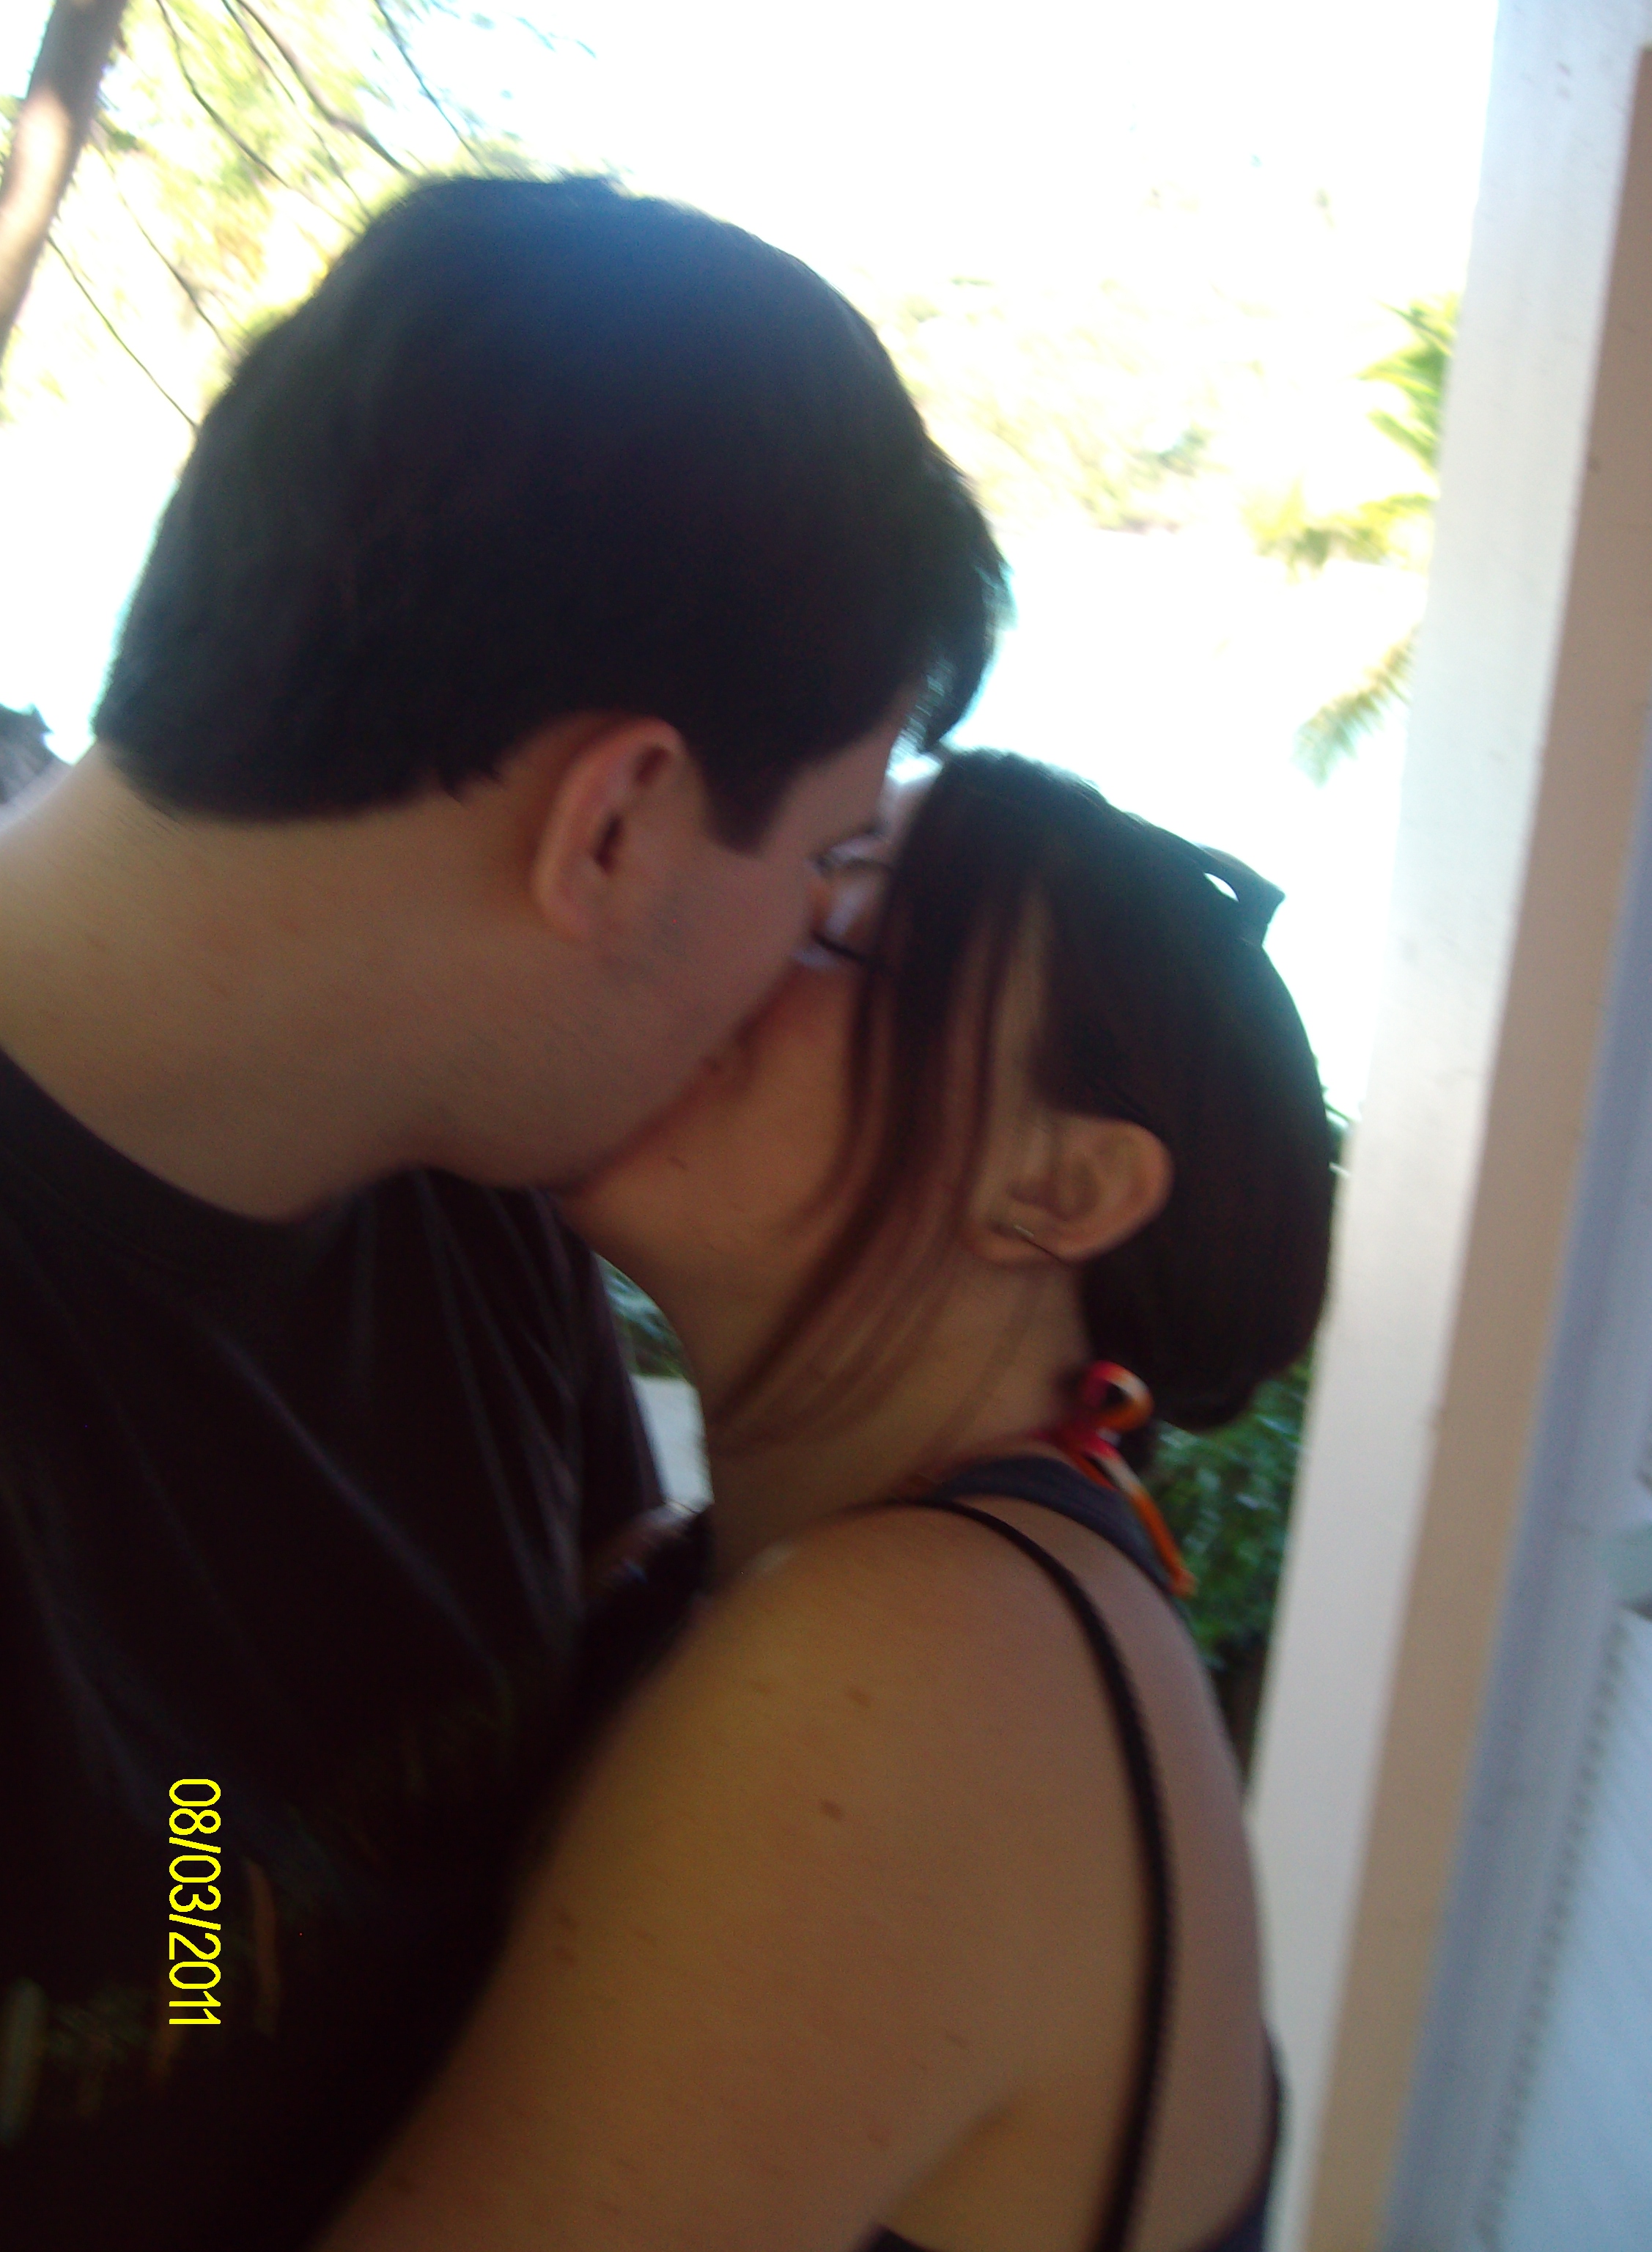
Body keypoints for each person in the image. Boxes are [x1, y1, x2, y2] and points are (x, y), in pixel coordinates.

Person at [0, 175, 1005, 2251]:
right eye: (826, 868)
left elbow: (217, 1909)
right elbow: (201, 1913)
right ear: (617, 824)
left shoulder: (475, 1198)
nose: (802, 969)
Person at [317, 749, 1336, 2252]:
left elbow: (201, 1937)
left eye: (838, 925)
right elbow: (216, 1933)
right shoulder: (712, 1579)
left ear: (1058, 1191)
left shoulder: (927, 1665)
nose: (724, 941)